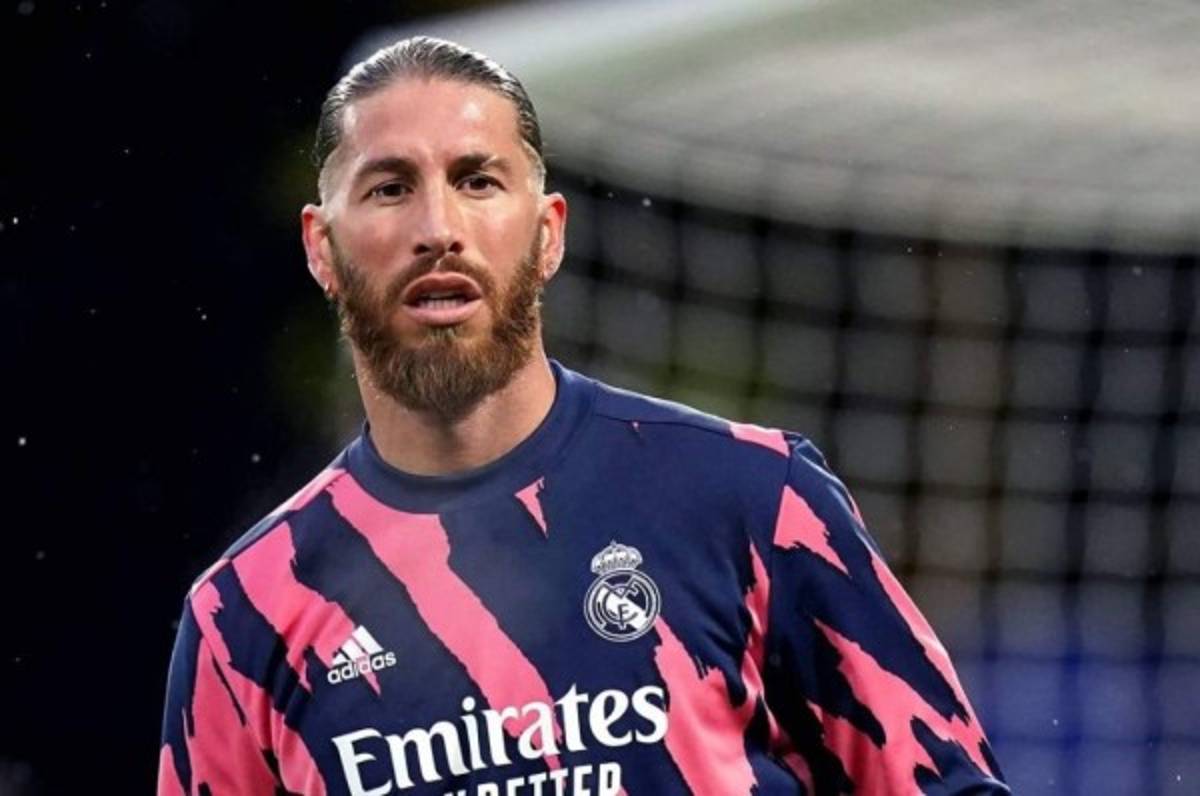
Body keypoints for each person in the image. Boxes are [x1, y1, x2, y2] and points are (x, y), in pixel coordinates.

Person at [157, 36, 1008, 796]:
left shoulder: (752, 499)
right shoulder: (246, 613)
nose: (438, 227)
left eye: (477, 180)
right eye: (389, 188)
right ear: (321, 247)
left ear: (549, 233)